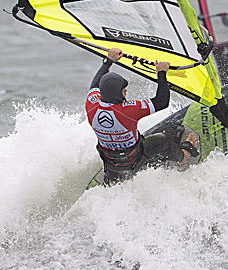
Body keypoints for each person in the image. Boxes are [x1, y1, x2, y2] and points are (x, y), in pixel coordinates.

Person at [85, 47, 199, 185]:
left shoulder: (91, 106)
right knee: (165, 137)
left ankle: (112, 178)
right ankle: (183, 157)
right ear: (117, 94)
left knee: (110, 150)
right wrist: (162, 73)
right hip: (136, 157)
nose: (126, 90)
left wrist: (108, 61)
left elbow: (95, 84)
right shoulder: (129, 111)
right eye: (123, 89)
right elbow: (162, 102)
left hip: (111, 161)